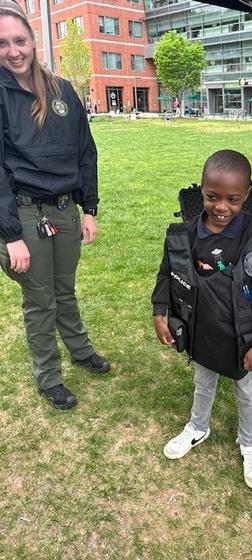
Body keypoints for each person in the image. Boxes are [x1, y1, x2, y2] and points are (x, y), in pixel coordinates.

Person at [152, 150, 252, 489]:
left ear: (246, 196)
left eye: (233, 199)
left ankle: (250, 444)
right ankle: (198, 427)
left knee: (246, 391)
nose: (221, 207)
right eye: (212, 197)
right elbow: (168, 271)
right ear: (202, 191)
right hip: (203, 328)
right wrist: (159, 312)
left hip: (243, 335)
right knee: (203, 381)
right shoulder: (186, 234)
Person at [0, 0, 110, 410]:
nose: (13, 51)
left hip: (64, 210)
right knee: (39, 299)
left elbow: (85, 151)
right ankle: (49, 377)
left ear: (33, 41)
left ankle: (81, 351)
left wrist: (90, 208)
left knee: (65, 290)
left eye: (20, 40)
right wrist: (11, 236)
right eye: (3, 43)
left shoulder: (61, 90)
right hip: (24, 214)